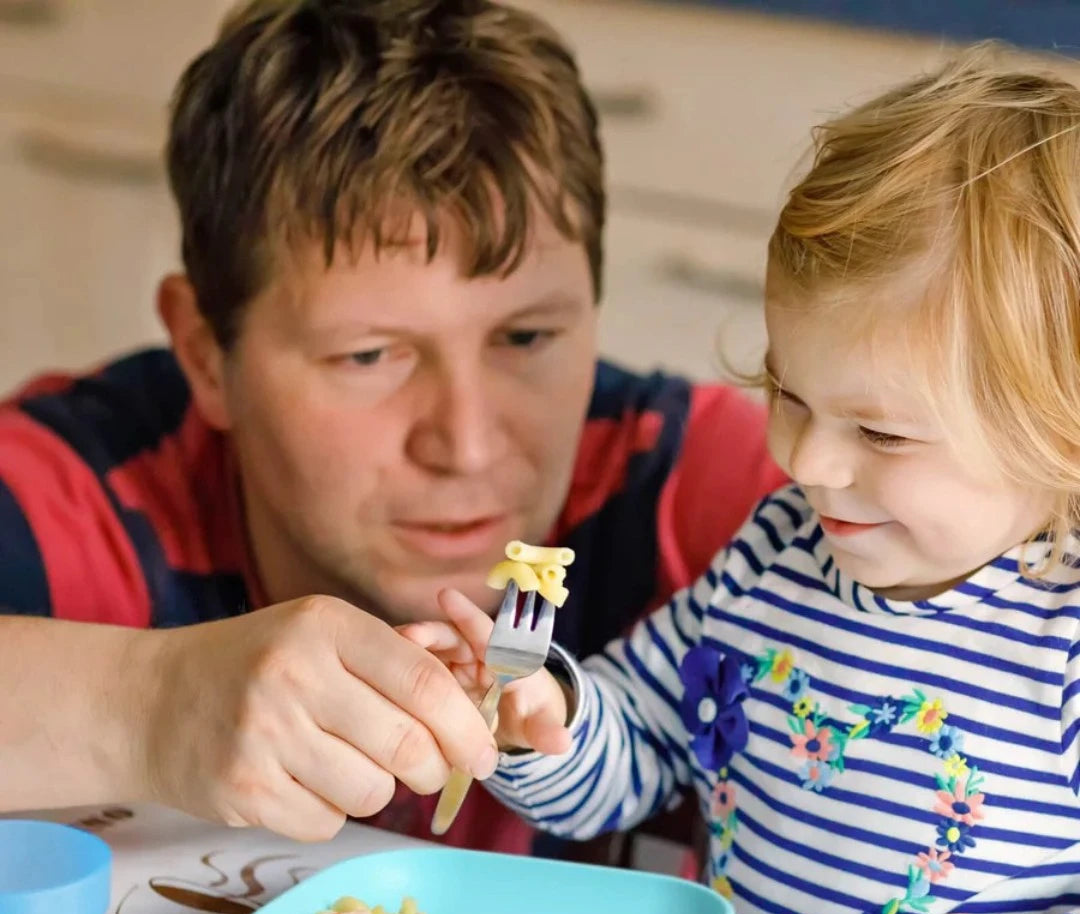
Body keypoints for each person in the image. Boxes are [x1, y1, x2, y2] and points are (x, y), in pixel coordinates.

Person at [0, 0, 781, 854]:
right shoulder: (78, 493)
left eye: (526, 338)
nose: (468, 444)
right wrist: (144, 709)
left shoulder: (716, 499)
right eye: (370, 356)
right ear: (202, 352)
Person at [403, 47, 1080, 914]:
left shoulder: (1065, 642)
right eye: (788, 395)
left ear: (1060, 431)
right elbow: (636, 745)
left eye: (881, 431)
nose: (806, 463)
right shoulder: (776, 557)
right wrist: (544, 719)